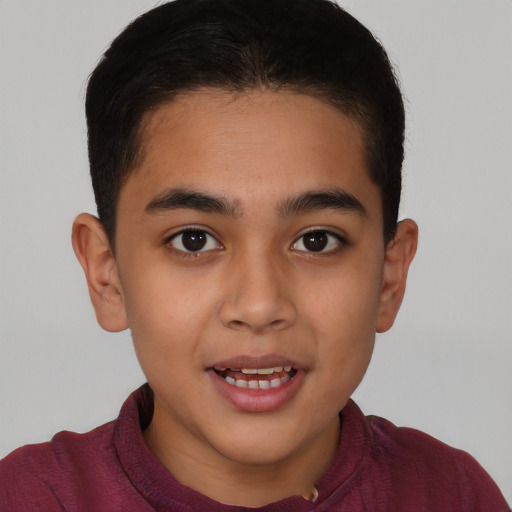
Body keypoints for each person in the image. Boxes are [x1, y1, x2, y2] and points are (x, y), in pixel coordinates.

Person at [0, 0, 509, 510]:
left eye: (316, 240)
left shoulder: (452, 495)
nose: (260, 305)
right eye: (193, 240)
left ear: (388, 277)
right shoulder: (26, 499)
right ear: (106, 275)